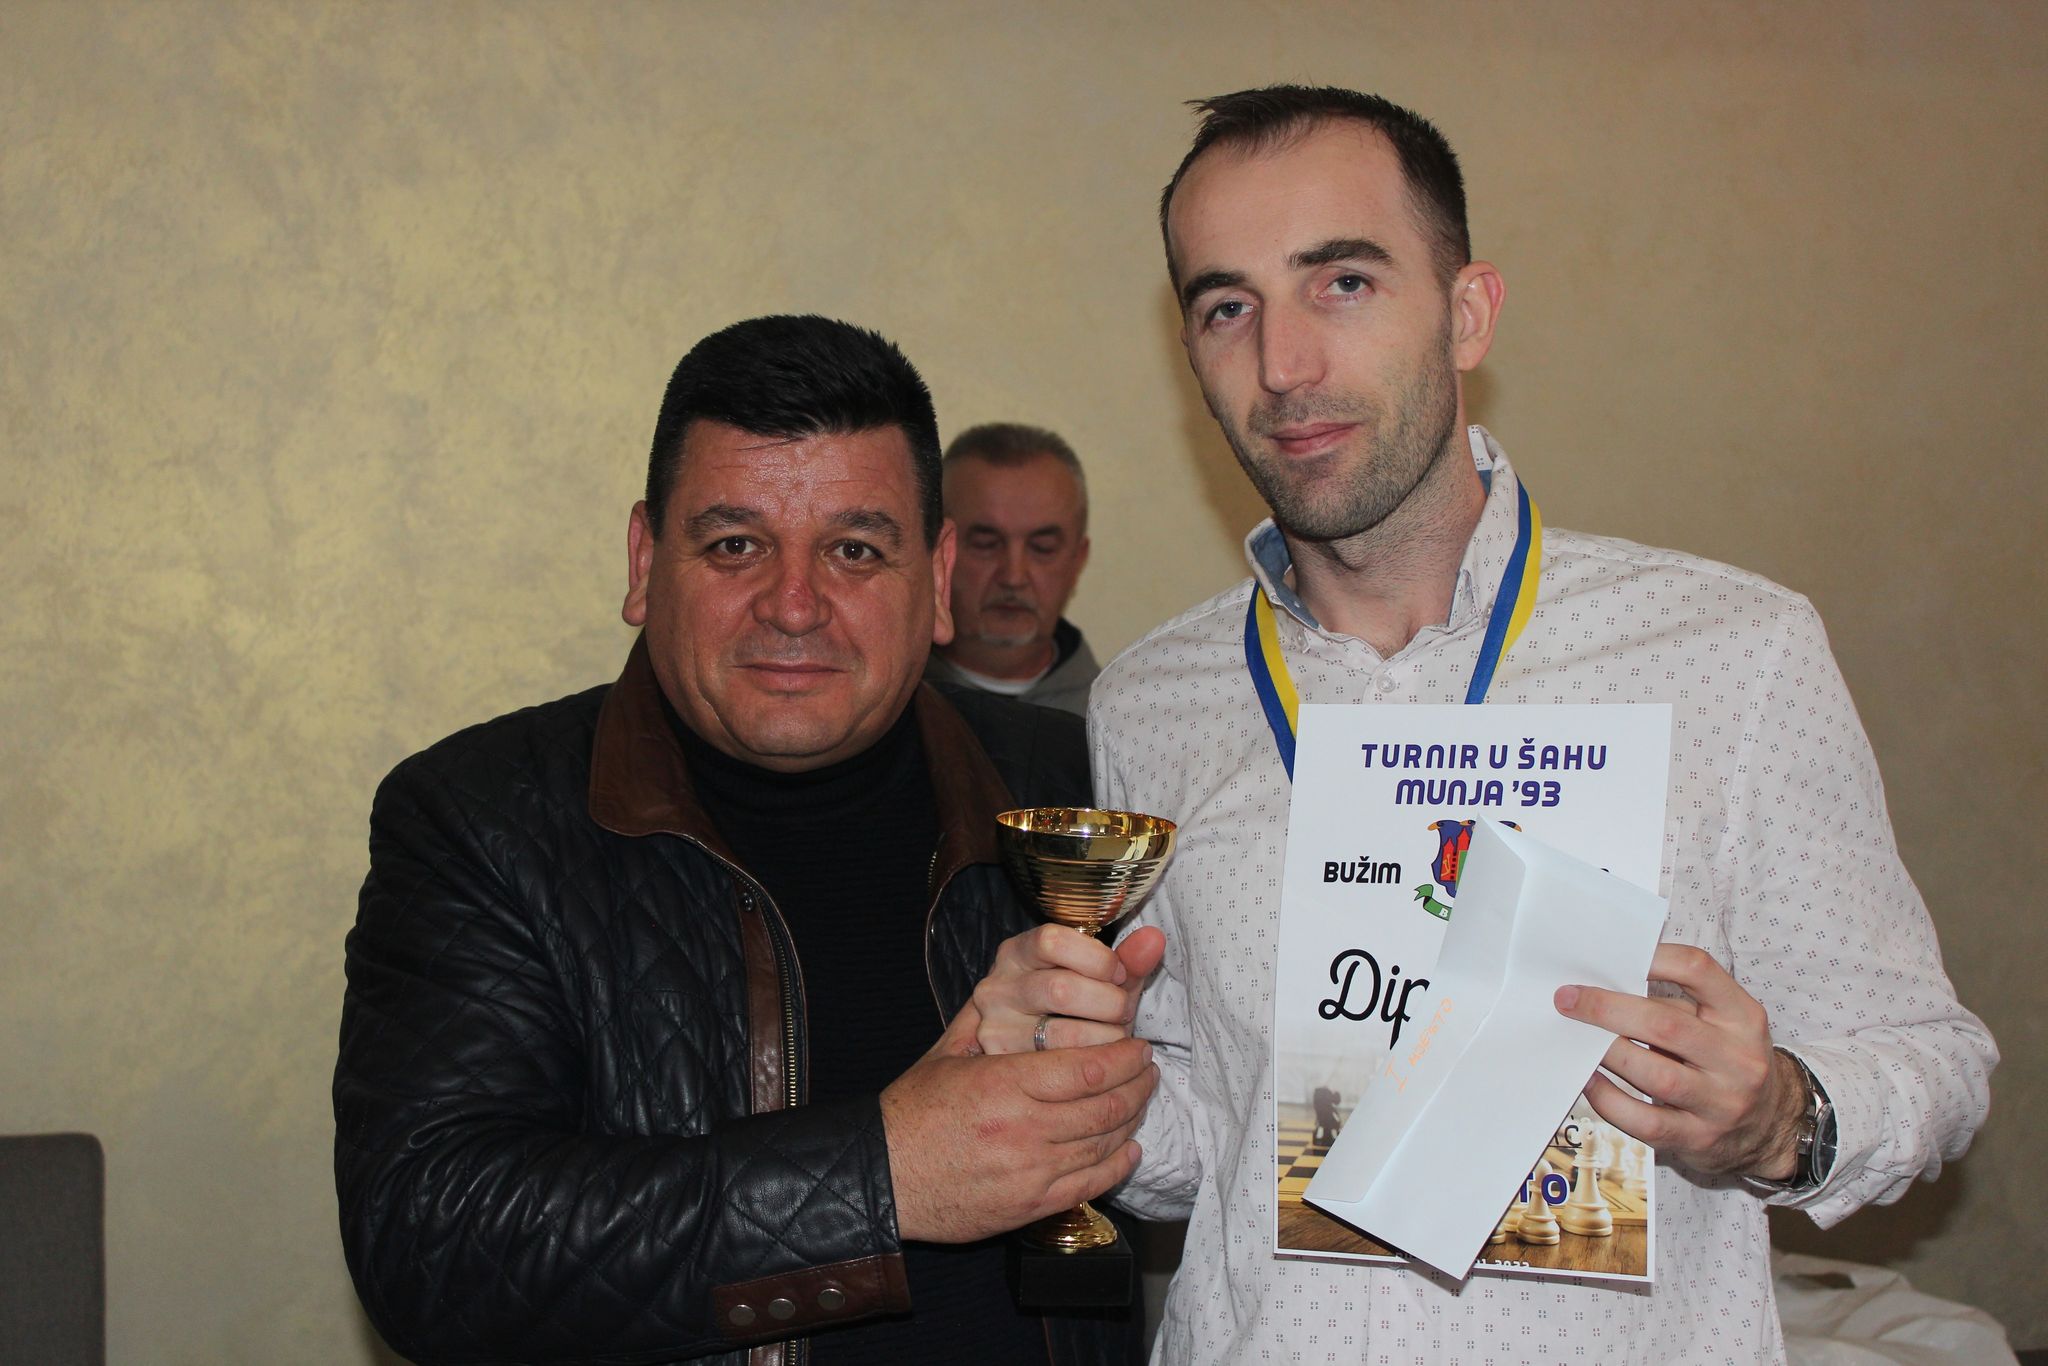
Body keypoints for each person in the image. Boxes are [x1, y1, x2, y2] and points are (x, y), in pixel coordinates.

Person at [974, 87, 1996, 1363]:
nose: (1282, 365)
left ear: (1466, 314)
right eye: (1226, 306)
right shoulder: (1155, 700)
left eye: (1342, 283)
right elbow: (1213, 1151)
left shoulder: (1730, 654)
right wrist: (1083, 1075)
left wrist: (1779, 1114)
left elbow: (1929, 1057)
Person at [332, 315, 1156, 1366]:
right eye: (734, 545)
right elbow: (431, 1246)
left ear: (938, 574)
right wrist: (883, 1176)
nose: (794, 605)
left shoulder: (1075, 785)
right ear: (645, 561)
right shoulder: (479, 819)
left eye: (855, 549)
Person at [924, 423, 1098, 715]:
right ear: (936, 552)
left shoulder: (1118, 724)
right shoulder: (875, 713)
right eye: (986, 544)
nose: (1013, 577)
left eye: (1042, 548)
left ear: (1078, 560)